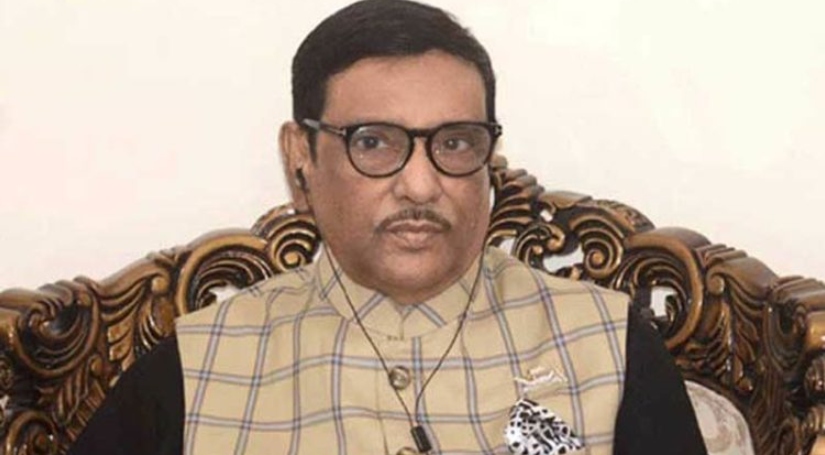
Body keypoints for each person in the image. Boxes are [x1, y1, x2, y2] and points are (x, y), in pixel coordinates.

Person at [69, 1, 707, 454]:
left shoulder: (606, 344)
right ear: (300, 157)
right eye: (373, 142)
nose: (421, 185)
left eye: (455, 143)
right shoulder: (198, 367)